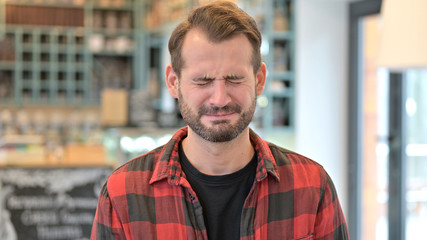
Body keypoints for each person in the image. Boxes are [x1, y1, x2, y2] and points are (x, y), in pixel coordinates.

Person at [91, 1, 349, 239]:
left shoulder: (312, 187)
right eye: (202, 81)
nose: (220, 98)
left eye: (235, 79)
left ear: (259, 80)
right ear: (173, 82)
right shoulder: (123, 194)